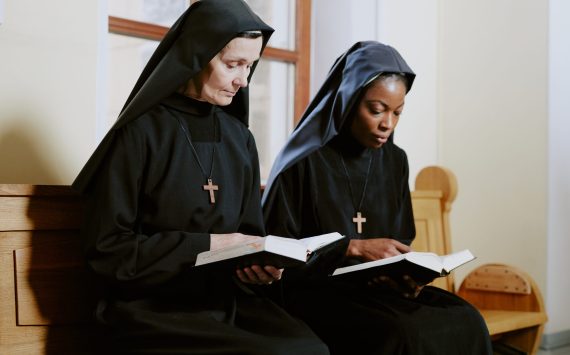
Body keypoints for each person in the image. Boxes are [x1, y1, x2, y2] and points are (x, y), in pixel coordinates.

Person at [72, 0, 329, 354]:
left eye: (250, 66)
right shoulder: (140, 133)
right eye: (232, 64)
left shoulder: (240, 139)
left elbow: (250, 234)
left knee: (310, 347)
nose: (243, 79)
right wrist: (209, 245)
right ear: (197, 54)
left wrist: (258, 265)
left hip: (225, 301)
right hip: (152, 309)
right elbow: (108, 250)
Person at [262, 41, 493, 355]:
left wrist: (406, 277)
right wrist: (352, 248)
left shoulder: (395, 160)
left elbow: (399, 240)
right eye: (376, 110)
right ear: (347, 100)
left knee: (468, 319)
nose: (388, 124)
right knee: (400, 334)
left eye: (398, 112)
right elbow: (276, 254)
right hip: (315, 292)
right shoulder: (302, 162)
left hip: (376, 291)